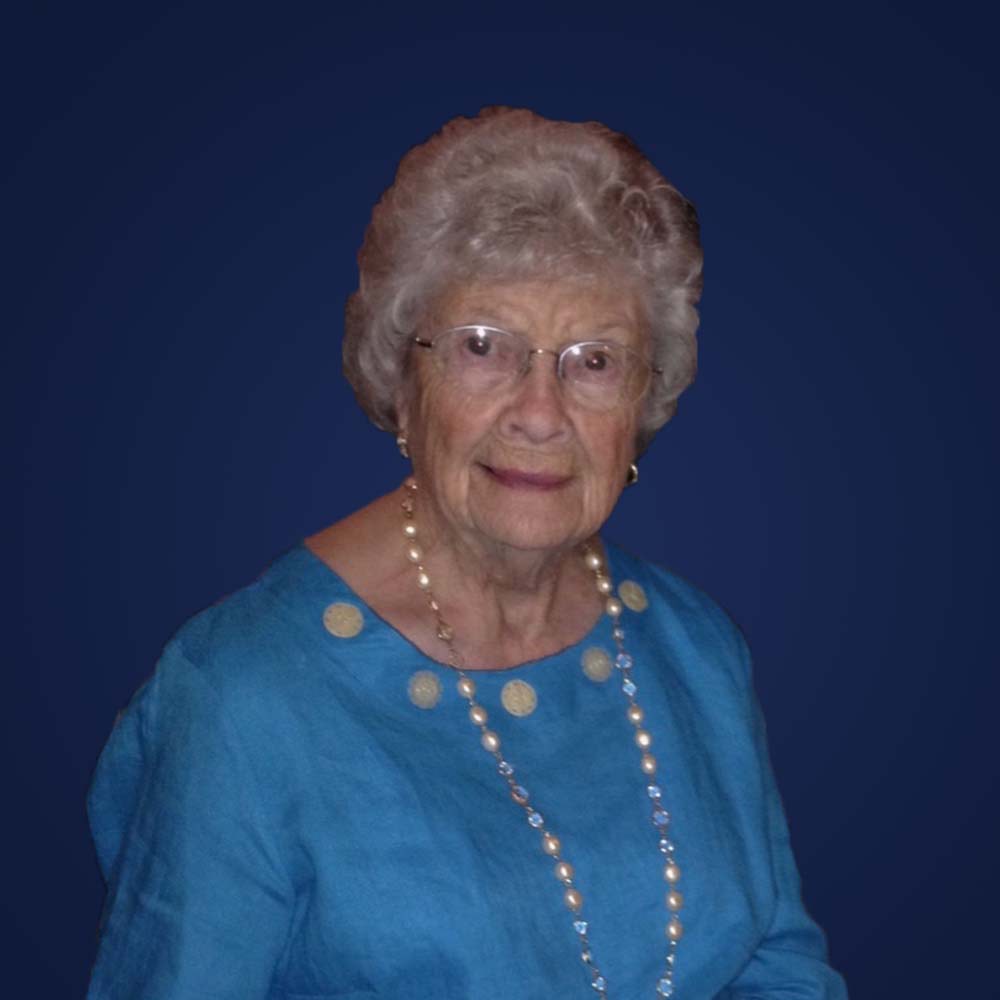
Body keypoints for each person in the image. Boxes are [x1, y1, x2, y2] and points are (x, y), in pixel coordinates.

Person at [87, 107, 848, 999]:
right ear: (403, 383)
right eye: (483, 347)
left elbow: (776, 964)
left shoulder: (696, 649)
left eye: (594, 361)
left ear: (644, 404)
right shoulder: (243, 697)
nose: (540, 413)